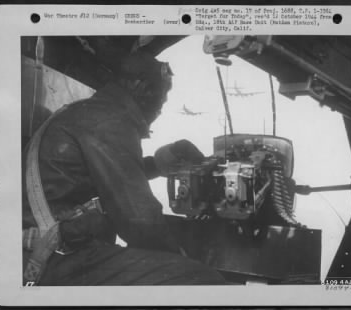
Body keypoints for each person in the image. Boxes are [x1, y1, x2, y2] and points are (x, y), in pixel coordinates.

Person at [22, 51, 225, 285]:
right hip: (53, 258)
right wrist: (182, 257)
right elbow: (140, 222)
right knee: (199, 278)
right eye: (162, 96)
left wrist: (158, 164)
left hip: (50, 247)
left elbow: (103, 179)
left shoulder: (88, 112)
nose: (161, 106)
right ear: (141, 87)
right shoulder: (109, 120)